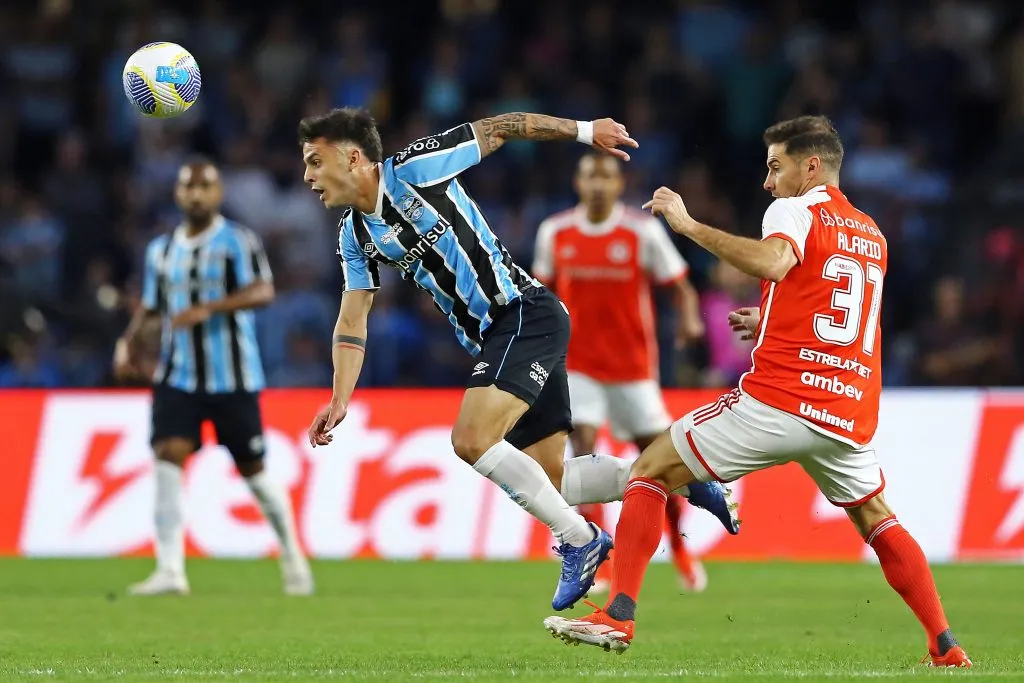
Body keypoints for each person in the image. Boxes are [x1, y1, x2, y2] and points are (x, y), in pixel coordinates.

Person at [542, 116, 971, 668]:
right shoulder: (870, 231)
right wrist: (766, 317)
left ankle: (617, 614)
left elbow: (774, 260)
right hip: (847, 411)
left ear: (810, 166)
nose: (768, 182)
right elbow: (835, 308)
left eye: (775, 167)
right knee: (876, 518)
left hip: (780, 401)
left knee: (649, 471)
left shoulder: (794, 209)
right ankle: (946, 645)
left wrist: (688, 224)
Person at [298, 108, 738, 611]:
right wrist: (339, 399)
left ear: (354, 157)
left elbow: (503, 127)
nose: (308, 177)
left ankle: (580, 540)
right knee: (552, 481)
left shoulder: (415, 169)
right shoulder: (354, 235)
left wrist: (586, 132)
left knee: (471, 438)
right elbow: (352, 320)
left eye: (315, 161)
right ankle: (683, 477)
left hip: (524, 312)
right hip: (495, 339)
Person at [114, 161, 313, 597]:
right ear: (178, 194)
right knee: (167, 457)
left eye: (206, 186)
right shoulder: (161, 251)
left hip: (232, 379)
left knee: (254, 473)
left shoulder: (237, 242)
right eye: (189, 187)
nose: (197, 194)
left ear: (219, 193)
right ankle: (170, 569)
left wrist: (210, 308)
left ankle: (292, 552)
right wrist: (129, 342)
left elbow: (263, 290)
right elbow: (152, 308)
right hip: (178, 376)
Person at [533, 152, 727, 595]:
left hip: (633, 371)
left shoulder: (641, 231)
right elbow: (541, 294)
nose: (598, 184)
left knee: (662, 463)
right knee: (580, 452)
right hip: (578, 365)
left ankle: (680, 549)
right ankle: (596, 555)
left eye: (606, 177)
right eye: (589, 176)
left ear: (619, 185)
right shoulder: (555, 231)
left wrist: (691, 318)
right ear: (578, 183)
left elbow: (679, 285)